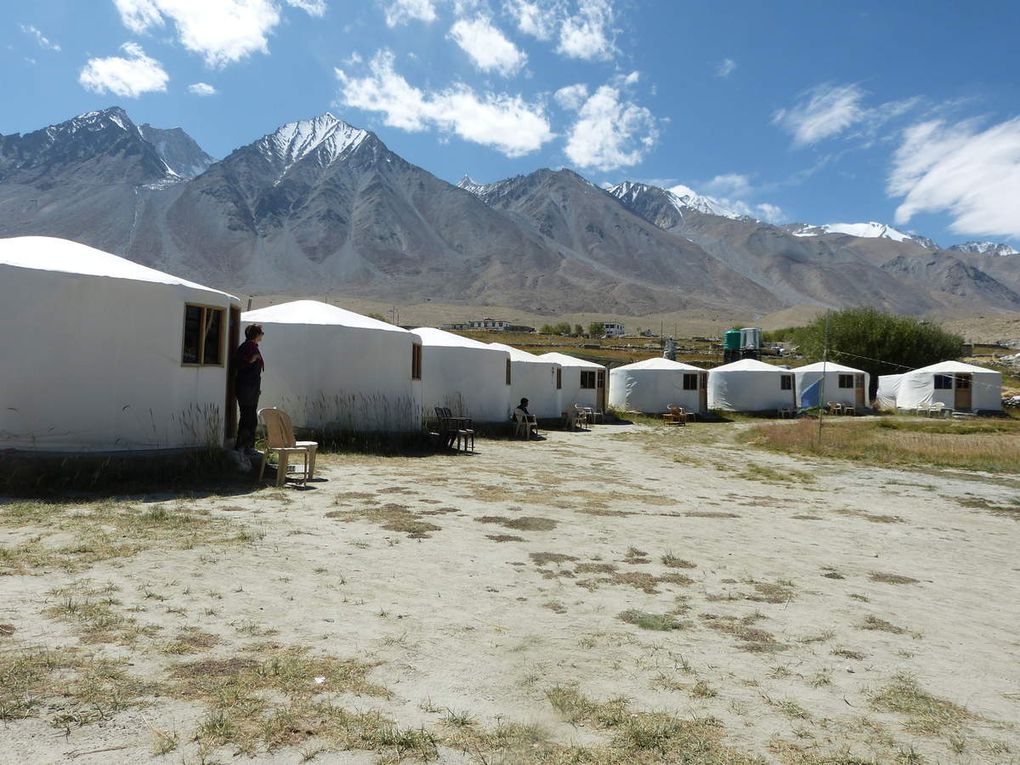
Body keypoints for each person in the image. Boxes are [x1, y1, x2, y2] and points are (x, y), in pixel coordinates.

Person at [234, 324, 265, 454]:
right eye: (261, 333)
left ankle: (249, 446)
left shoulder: (252, 347)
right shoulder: (246, 347)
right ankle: (241, 445)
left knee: (251, 417)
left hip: (252, 388)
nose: (262, 335)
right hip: (246, 387)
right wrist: (251, 360)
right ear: (256, 334)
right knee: (247, 416)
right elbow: (240, 363)